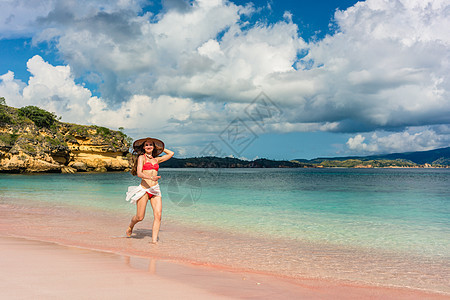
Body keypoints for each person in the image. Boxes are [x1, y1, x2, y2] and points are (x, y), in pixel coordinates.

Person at [125, 137, 174, 244]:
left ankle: (154, 241)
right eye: (146, 145)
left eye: (151, 145)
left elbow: (171, 153)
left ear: (153, 147)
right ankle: (131, 225)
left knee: (158, 215)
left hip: (155, 189)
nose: (148, 146)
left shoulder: (157, 159)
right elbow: (139, 173)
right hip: (144, 189)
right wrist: (151, 178)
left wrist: (161, 148)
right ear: (143, 147)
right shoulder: (141, 158)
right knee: (140, 217)